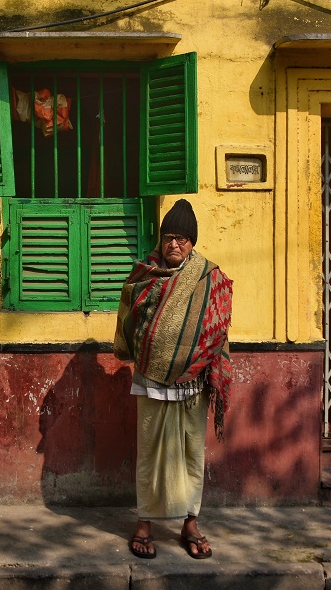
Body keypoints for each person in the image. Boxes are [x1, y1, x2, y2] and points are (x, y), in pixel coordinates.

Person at [113, 199, 233, 560]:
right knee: (149, 453)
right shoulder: (144, 275)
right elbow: (130, 319)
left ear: (192, 242)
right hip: (150, 378)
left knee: (192, 454)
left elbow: (217, 327)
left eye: (181, 238)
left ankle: (190, 524)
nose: (174, 245)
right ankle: (145, 525)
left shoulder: (209, 277)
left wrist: (196, 363)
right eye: (168, 238)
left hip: (194, 383)